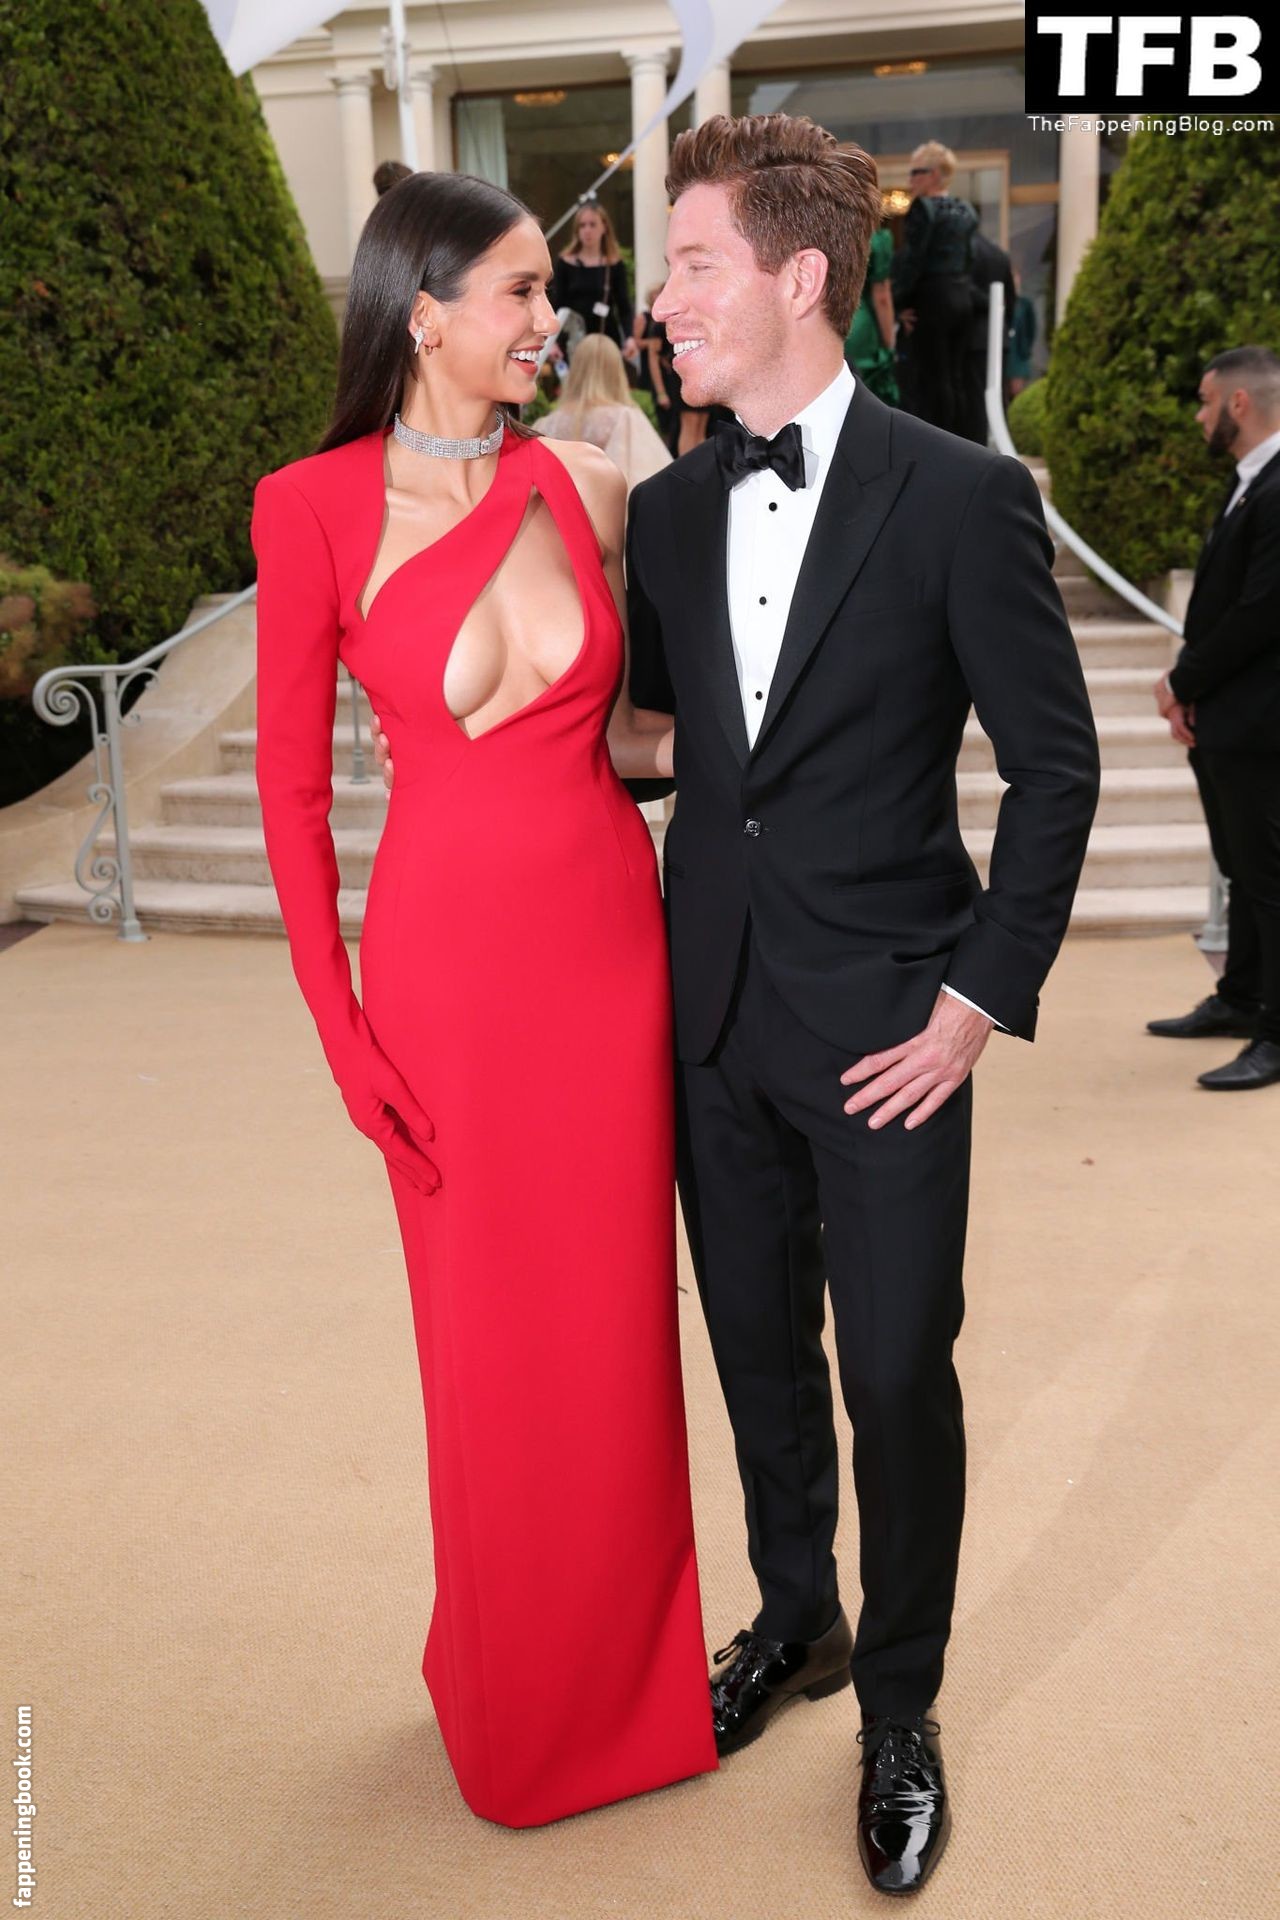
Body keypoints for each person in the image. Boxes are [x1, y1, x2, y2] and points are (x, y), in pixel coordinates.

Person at [631, 113, 1099, 1895]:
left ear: (800, 276)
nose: (662, 297)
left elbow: (1055, 772)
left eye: (694, 263)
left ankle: (900, 1705)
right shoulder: (669, 512)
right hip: (713, 1013)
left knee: (895, 1373)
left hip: (900, 1024)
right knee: (757, 1354)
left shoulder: (964, 497)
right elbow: (669, 743)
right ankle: (797, 1619)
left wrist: (978, 1001)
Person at [249, 170, 718, 1828]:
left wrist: (787, 755)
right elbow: (291, 800)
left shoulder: (590, 483)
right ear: (421, 310)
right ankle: (515, 1705)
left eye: (546, 290)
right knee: (488, 1350)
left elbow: (631, 736)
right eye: (519, 292)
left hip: (606, 952)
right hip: (446, 978)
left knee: (613, 1337)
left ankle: (634, 1706)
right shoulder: (307, 506)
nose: (549, 320)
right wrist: (341, 1029)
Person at [1148, 345, 1280, 1091]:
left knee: (1268, 879)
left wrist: (1181, 681)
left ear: (1238, 403)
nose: (1198, 417)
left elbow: (1261, 612)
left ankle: (1276, 1033)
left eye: (1204, 402)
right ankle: (1241, 998)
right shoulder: (1248, 481)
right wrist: (1196, 693)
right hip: (1231, 717)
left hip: (1264, 724)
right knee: (1240, 871)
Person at [892, 141, 978, 437]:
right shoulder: (966, 210)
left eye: (916, 172)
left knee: (931, 378)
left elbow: (913, 260)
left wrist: (898, 303)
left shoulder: (923, 209)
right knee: (956, 376)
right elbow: (969, 258)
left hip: (932, 300)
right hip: (962, 298)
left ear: (935, 174)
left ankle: (937, 443)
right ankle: (961, 441)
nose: (910, 180)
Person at [534, 333, 671, 488]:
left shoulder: (547, 424)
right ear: (616, 370)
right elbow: (653, 476)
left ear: (576, 368)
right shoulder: (624, 418)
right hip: (609, 501)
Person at [549, 198, 634, 358]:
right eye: (582, 225)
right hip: (572, 341)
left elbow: (623, 307)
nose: (587, 230)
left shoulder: (614, 264)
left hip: (605, 339)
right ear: (577, 230)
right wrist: (551, 341)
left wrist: (629, 338)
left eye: (593, 224)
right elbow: (556, 306)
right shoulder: (564, 263)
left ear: (604, 227)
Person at [961, 227, 1017, 444]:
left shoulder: (965, 252)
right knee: (998, 396)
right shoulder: (999, 254)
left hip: (971, 336)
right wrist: (1004, 324)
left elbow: (964, 290)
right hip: (998, 336)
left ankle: (977, 447)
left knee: (974, 400)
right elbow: (1011, 299)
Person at [843, 219, 899, 406]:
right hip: (861, 325)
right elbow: (882, 297)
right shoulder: (875, 239)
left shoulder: (828, 231)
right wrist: (889, 344)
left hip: (828, 319)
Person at [1007, 268, 1037, 396]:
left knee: (1017, 391)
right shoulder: (1000, 303)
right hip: (1003, 355)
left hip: (1018, 356)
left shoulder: (1025, 304)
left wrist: (1026, 349)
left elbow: (1031, 329)